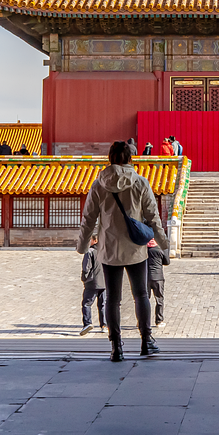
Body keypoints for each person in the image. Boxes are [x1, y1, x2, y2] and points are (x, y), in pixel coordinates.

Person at [76, 141, 168, 361]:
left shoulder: (99, 185)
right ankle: (146, 340)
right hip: (136, 247)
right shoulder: (140, 183)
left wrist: (82, 245)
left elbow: (88, 219)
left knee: (113, 299)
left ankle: (116, 345)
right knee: (141, 295)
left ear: (110, 159)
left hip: (108, 249)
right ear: (130, 159)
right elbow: (153, 217)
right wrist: (164, 243)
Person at [80, 235, 106, 335]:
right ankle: (104, 325)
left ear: (95, 240)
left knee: (86, 303)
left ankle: (87, 323)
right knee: (103, 304)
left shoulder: (90, 252)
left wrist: (84, 278)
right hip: (104, 282)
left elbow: (86, 268)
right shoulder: (105, 251)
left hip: (92, 282)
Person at [146, 238, 170, 327]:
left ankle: (142, 321)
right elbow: (167, 262)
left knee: (144, 300)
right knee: (159, 299)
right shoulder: (160, 249)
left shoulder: (144, 249)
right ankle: (159, 321)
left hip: (146, 277)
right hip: (158, 277)